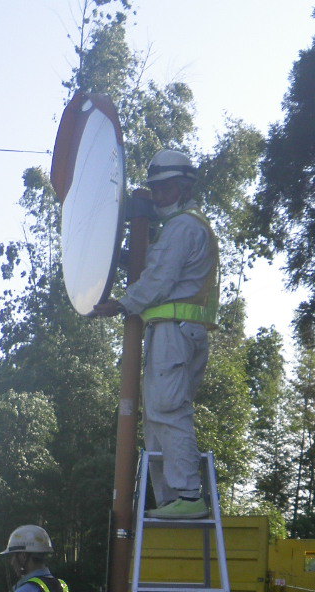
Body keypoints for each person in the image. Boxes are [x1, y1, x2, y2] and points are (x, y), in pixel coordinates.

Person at [93, 148, 220, 520]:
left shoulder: (183, 226)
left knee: (167, 409)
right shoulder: (185, 227)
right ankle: (171, 499)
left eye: (165, 188)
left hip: (174, 333)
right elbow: (160, 267)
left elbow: (160, 280)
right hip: (180, 332)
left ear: (183, 187)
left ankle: (187, 495)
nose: (159, 195)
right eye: (156, 189)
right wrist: (125, 260)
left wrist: (123, 303)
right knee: (161, 413)